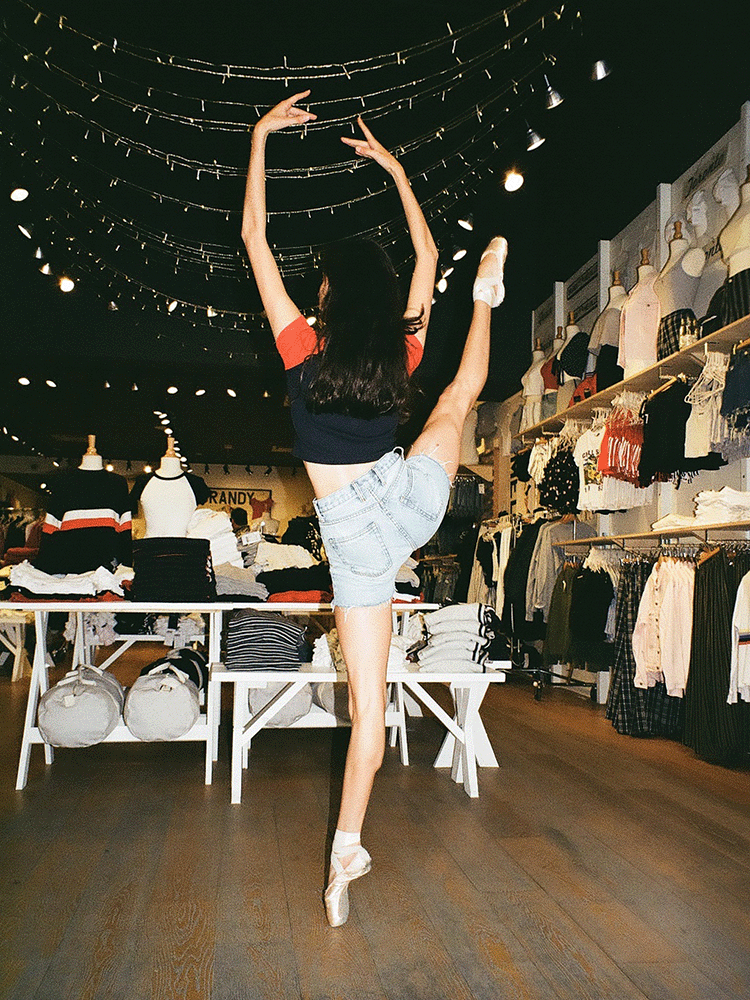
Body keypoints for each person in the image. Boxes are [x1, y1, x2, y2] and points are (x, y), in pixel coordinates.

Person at [241, 90, 507, 927]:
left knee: (366, 712)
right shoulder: (398, 349)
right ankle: (488, 300)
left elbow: (253, 237)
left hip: (359, 543)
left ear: (327, 293)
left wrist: (260, 137)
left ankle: (343, 858)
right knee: (457, 399)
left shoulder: (302, 349)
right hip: (409, 499)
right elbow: (425, 252)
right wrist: (394, 168)